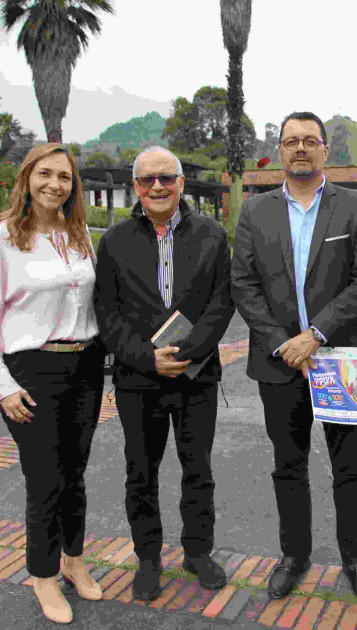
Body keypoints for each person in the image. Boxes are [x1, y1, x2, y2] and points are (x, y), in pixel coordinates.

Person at [231, 111, 357, 601]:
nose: (300, 148)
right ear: (279, 150)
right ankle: (294, 556)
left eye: (309, 141)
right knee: (288, 465)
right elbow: (244, 284)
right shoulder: (255, 212)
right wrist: (283, 341)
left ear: (325, 150)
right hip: (280, 364)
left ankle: (356, 558)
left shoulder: (356, 206)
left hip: (339, 358)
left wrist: (315, 335)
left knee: (350, 466)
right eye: (291, 141)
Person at [93, 146, 234, 600]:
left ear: (181, 184)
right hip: (139, 378)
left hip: (196, 377)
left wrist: (188, 352)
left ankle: (198, 552)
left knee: (199, 469)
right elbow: (107, 312)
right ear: (135, 187)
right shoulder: (114, 241)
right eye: (148, 179)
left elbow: (221, 301)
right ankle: (148, 558)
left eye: (166, 178)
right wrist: (146, 357)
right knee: (141, 472)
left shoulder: (212, 235)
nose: (158, 187)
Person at [0, 143, 105, 624]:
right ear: (27, 178)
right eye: (45, 174)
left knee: (75, 473)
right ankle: (44, 575)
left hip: (85, 366)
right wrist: (3, 384)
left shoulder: (79, 236)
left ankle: (73, 560)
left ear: (74, 186)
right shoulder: (2, 237)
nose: (55, 184)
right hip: (32, 371)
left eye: (65, 177)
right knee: (45, 478)